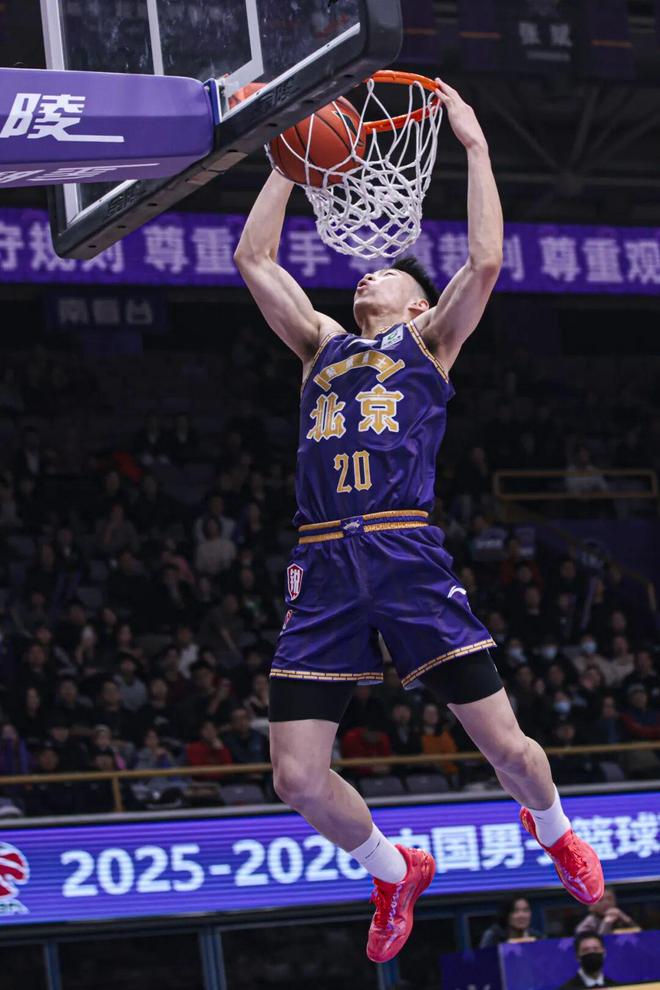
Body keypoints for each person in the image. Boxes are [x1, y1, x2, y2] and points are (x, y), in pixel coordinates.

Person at [234, 78, 603, 965]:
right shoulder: (320, 346)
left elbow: (485, 261)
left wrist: (475, 146)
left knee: (510, 751)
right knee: (294, 778)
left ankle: (554, 830)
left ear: (413, 303)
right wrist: (290, 155)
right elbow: (253, 258)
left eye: (390, 274)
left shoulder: (429, 341)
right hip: (323, 562)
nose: (370, 273)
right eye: (368, 273)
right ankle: (394, 870)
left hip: (404, 550)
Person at [479, 894, 544, 947]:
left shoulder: (538, 937)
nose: (522, 915)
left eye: (525, 910)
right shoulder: (493, 936)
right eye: (515, 911)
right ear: (506, 915)